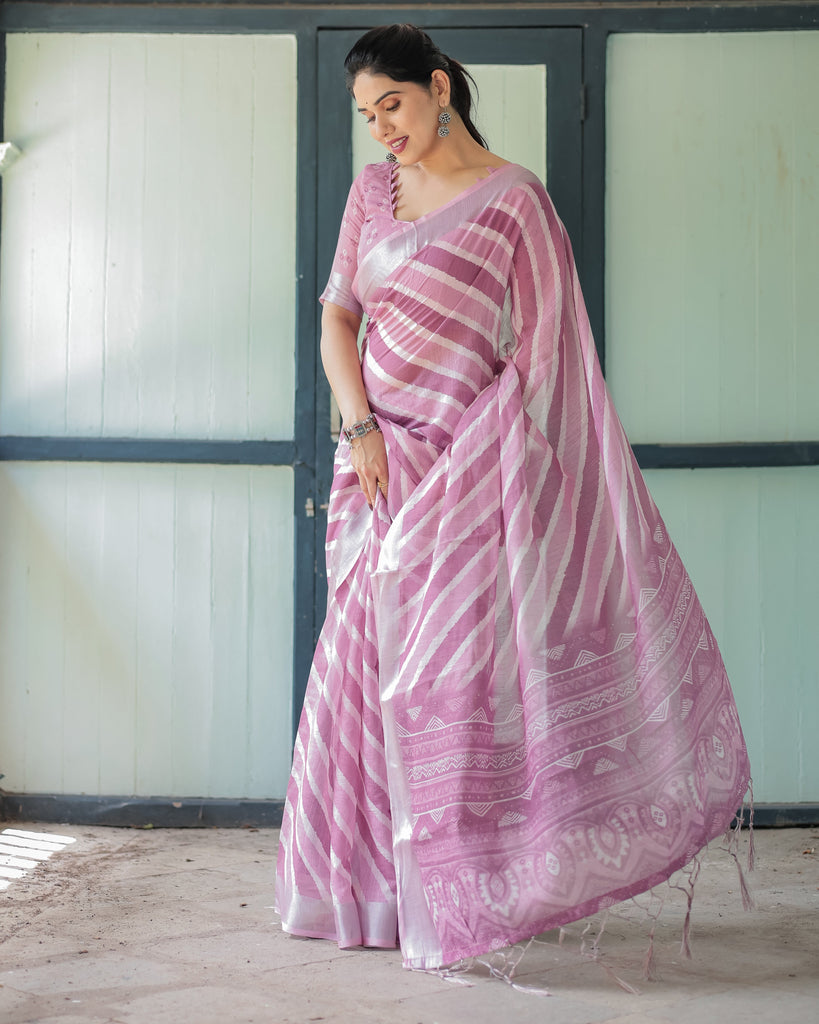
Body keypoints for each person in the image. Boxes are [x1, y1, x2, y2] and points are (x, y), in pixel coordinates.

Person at [276, 23, 751, 972]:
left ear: (439, 87)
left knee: (448, 683)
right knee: (356, 678)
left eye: (392, 104)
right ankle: (366, 893)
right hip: (377, 470)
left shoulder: (515, 203)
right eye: (367, 115)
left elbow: (545, 358)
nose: (382, 128)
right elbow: (336, 321)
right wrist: (361, 429)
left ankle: (464, 890)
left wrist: (479, 464)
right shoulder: (372, 194)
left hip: (464, 480)